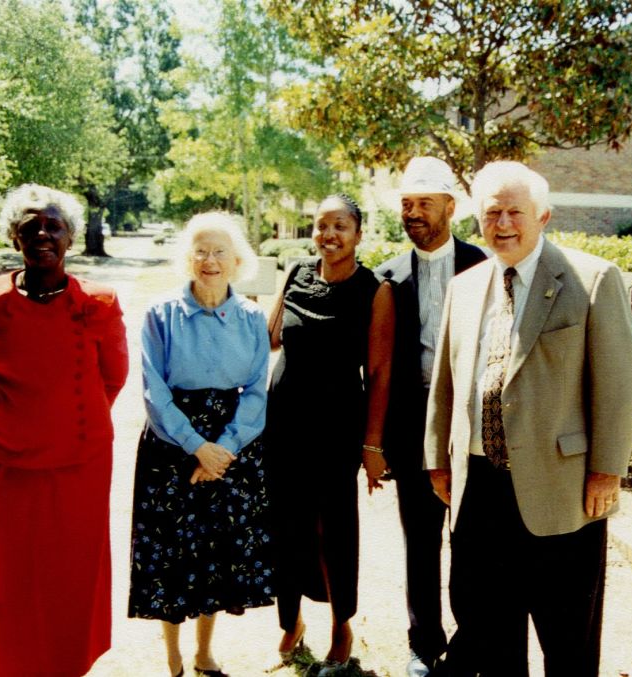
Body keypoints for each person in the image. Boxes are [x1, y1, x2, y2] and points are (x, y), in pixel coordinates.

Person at [424, 161, 632, 676]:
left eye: (514, 212)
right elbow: (446, 383)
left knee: (567, 639)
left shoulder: (590, 281)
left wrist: (607, 471)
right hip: (477, 493)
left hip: (560, 491)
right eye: (491, 212)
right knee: (489, 633)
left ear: (543, 216)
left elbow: (618, 385)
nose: (502, 223)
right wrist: (438, 459)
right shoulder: (466, 285)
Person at [0, 184, 129, 676]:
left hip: (82, 464)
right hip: (9, 466)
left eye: (54, 225)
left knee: (72, 576)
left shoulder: (99, 302)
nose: (43, 234)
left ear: (70, 237)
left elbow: (112, 376)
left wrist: (76, 424)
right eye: (31, 226)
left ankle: (70, 666)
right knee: (13, 578)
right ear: (13, 236)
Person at [127, 212, 273, 677]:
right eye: (201, 251)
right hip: (172, 444)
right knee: (169, 554)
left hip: (231, 444)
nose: (210, 261)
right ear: (188, 258)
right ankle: (172, 658)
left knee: (217, 553)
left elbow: (255, 390)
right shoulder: (161, 312)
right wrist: (196, 447)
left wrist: (222, 450)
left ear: (237, 261)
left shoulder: (251, 317)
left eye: (220, 252)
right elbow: (153, 389)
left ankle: (205, 653)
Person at [266, 194, 395, 675]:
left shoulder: (374, 289)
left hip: (338, 426)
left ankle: (342, 624)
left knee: (333, 529)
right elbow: (269, 338)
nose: (329, 235)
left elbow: (380, 372)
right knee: (284, 524)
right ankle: (291, 620)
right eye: (321, 226)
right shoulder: (296, 273)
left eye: (340, 226)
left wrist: (372, 444)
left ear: (359, 234)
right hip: (282, 422)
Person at [375, 157, 486, 676]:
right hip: (412, 426)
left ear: (450, 207)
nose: (413, 213)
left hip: (470, 422)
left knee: (471, 539)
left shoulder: (485, 266)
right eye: (406, 205)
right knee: (419, 542)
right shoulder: (387, 276)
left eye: (424, 203)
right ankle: (423, 644)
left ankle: (471, 644)